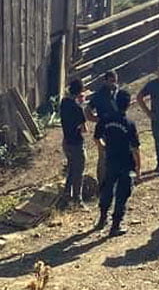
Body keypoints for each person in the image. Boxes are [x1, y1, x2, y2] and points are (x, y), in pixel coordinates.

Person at [95, 90, 140, 237]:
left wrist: (103, 148)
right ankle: (115, 226)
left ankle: (102, 219)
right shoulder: (129, 123)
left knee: (107, 189)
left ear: (115, 102)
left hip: (111, 161)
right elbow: (135, 148)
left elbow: (97, 137)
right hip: (126, 163)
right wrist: (138, 168)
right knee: (122, 194)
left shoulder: (106, 119)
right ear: (128, 105)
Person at [87, 70, 120, 183]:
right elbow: (87, 111)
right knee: (103, 156)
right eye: (111, 81)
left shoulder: (116, 93)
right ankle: (102, 182)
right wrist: (98, 119)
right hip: (104, 131)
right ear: (105, 81)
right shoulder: (100, 95)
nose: (114, 84)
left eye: (115, 81)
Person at [59, 78, 88, 208]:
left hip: (66, 141)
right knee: (79, 171)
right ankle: (78, 199)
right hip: (77, 142)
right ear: (80, 92)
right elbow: (84, 129)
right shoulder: (78, 108)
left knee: (71, 169)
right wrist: (81, 104)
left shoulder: (64, 103)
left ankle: (66, 195)